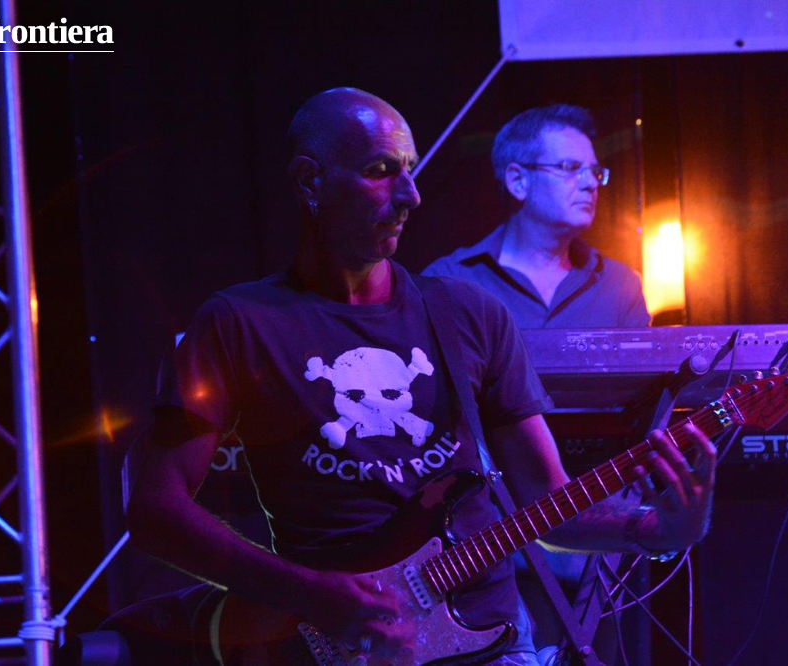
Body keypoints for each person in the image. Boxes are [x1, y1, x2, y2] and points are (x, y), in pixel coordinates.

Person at [127, 89, 716, 665]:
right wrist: (311, 594)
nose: (410, 194)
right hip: (341, 646)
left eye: (409, 169)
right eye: (381, 171)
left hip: (489, 641)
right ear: (310, 181)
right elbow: (155, 510)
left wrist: (655, 530)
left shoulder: (468, 314)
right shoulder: (240, 323)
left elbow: (547, 500)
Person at [423, 104, 650, 328]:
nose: (591, 183)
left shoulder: (619, 286)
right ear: (518, 182)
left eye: (594, 172)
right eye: (570, 167)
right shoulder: (449, 283)